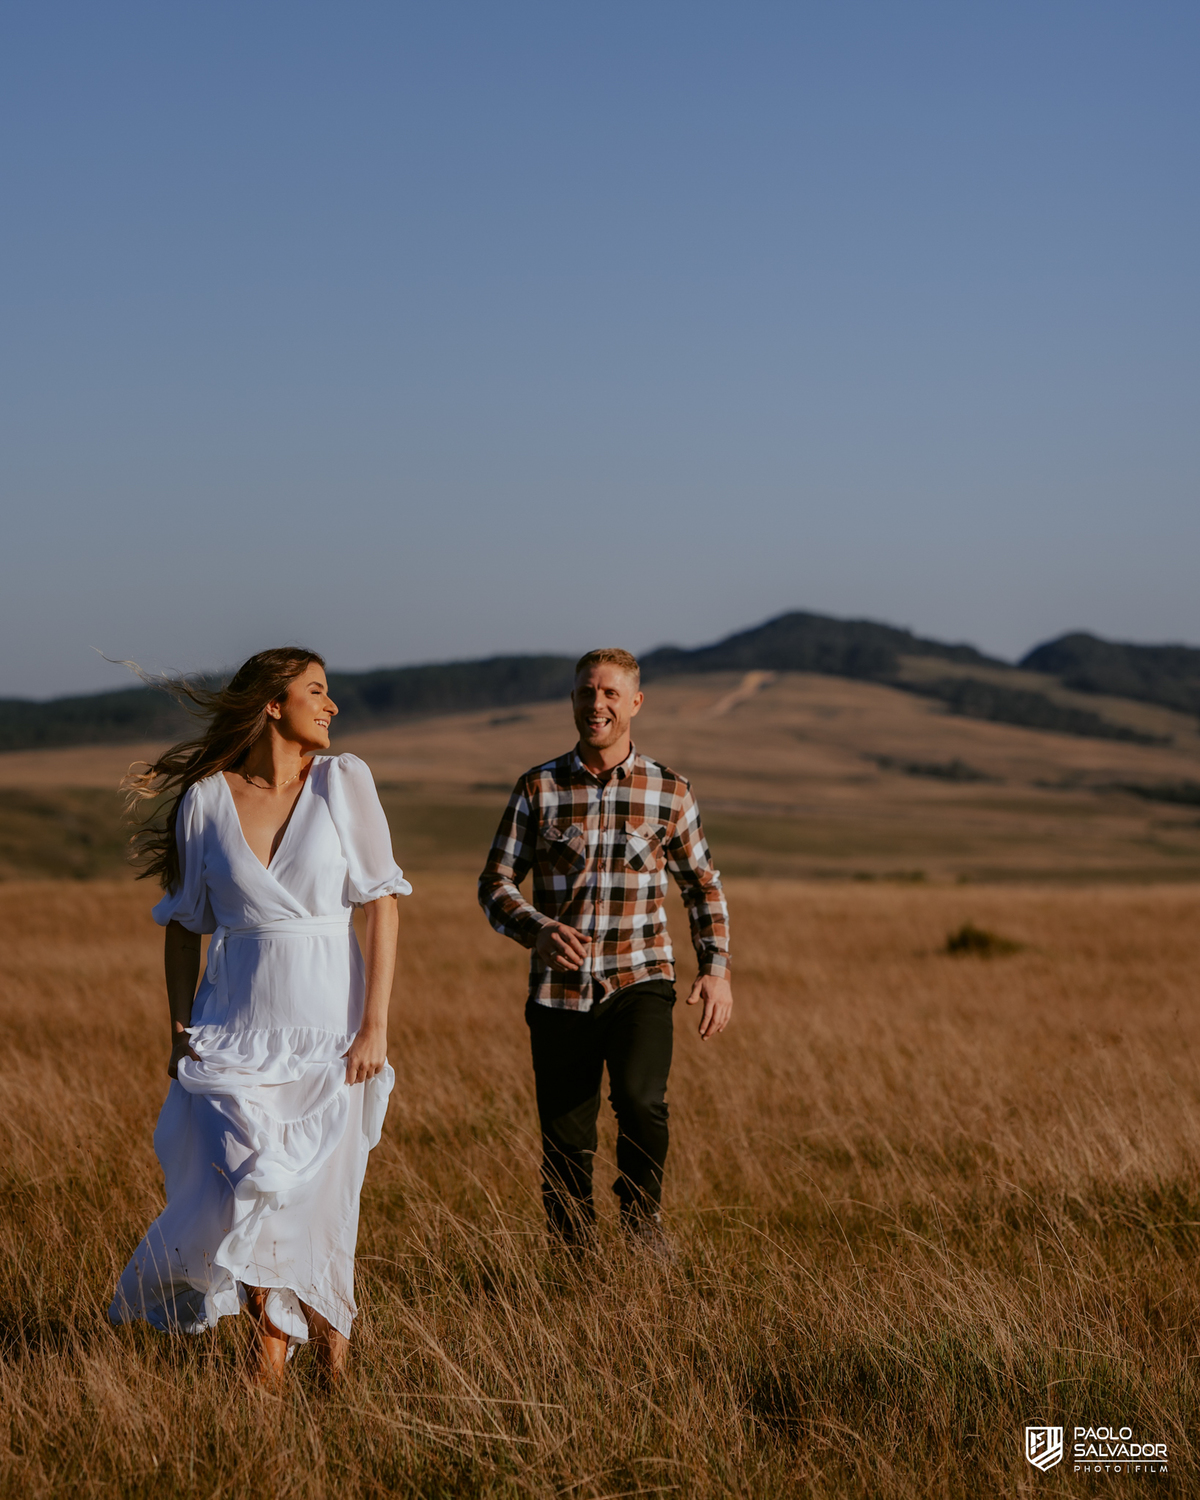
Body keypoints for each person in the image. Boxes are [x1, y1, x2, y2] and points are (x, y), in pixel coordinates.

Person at [109, 648, 411, 1386]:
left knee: (322, 1197)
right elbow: (184, 925)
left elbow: (382, 903)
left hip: (331, 1033)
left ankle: (333, 1355)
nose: (331, 704)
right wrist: (179, 1032)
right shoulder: (207, 801)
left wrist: (375, 1026)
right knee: (249, 1185)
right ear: (272, 704)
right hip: (231, 1035)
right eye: (316, 691)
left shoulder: (344, 782)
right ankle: (267, 1356)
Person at [478, 647, 732, 1254]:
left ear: (635, 703)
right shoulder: (538, 788)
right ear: (573, 700)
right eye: (587, 693)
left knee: (643, 1104)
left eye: (611, 694)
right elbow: (494, 884)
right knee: (566, 1141)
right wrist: (535, 929)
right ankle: (573, 1261)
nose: (597, 705)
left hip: (640, 979)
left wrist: (716, 970)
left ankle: (644, 1226)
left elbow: (702, 885)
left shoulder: (669, 791)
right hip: (559, 992)